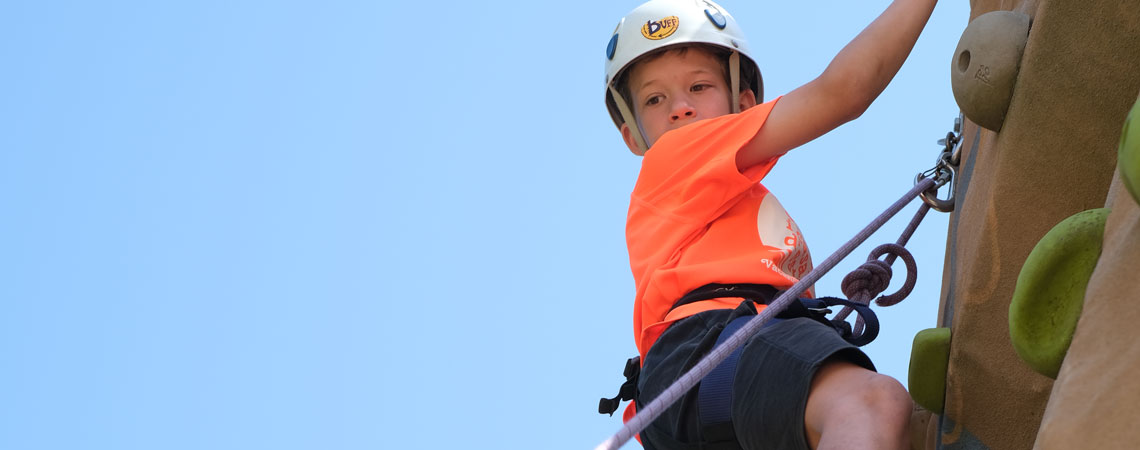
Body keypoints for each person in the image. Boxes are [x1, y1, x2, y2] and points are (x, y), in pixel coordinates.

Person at [601, 0, 937, 449]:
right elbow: (844, 92)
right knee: (870, 405)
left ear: (743, 102)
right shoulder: (674, 157)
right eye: (654, 99)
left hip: (683, 395)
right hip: (712, 344)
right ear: (634, 136)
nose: (679, 108)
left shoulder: (718, 200)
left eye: (698, 86)